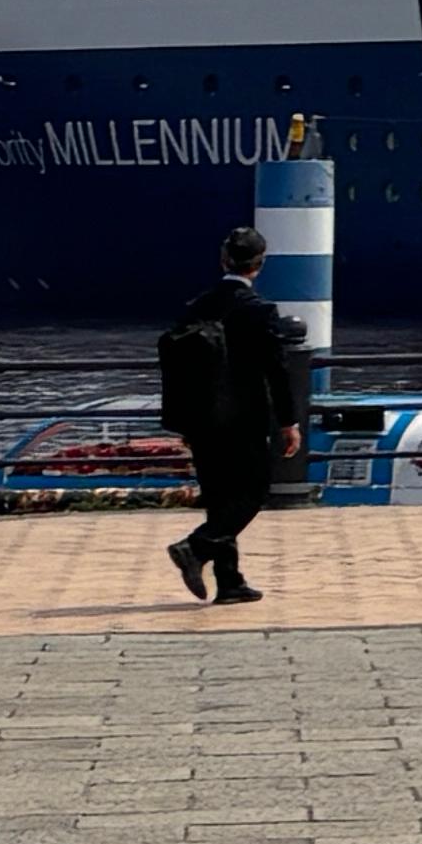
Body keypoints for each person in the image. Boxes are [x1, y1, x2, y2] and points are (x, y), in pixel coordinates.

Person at [154, 226, 302, 602]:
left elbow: (180, 366)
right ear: (259, 264)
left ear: (224, 261)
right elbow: (277, 370)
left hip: (202, 416)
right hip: (244, 418)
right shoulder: (260, 311)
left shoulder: (197, 306)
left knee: (220, 496)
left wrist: (183, 418)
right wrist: (289, 421)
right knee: (254, 491)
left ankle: (230, 580)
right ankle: (195, 547)